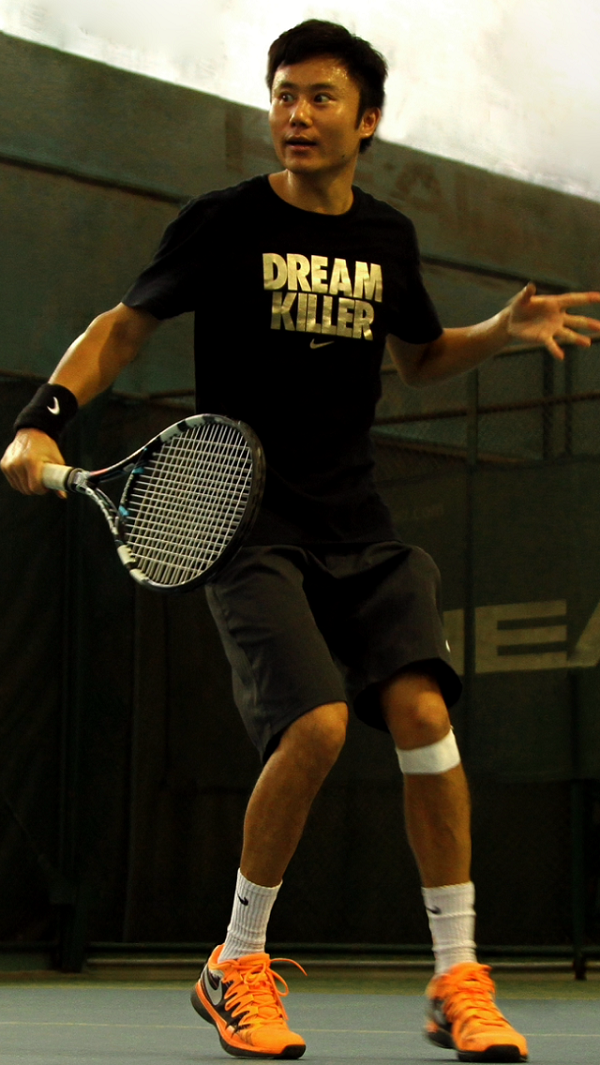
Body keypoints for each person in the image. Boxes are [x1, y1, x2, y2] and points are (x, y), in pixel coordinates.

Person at [3, 18, 600, 1063]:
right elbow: (123, 326)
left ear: (368, 120)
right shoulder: (223, 222)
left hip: (361, 527)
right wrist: (43, 417)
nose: (295, 114)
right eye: (282, 94)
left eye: (321, 97)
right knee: (317, 724)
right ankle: (234, 963)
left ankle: (459, 976)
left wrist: (499, 333)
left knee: (425, 717)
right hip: (248, 524)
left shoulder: (388, 237)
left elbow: (419, 359)